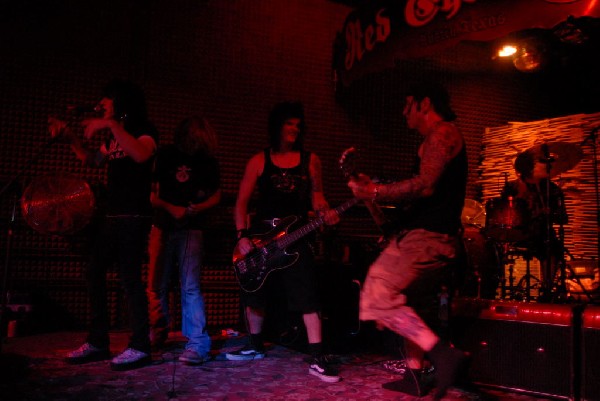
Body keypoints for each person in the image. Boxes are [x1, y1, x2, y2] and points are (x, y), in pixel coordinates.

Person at [347, 82, 468, 399]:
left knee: (375, 292)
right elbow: (417, 198)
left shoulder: (442, 133)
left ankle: (442, 354)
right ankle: (415, 375)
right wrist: (369, 194)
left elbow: (425, 186)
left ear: (424, 103)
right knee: (411, 304)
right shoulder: (433, 140)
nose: (403, 112)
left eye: (407, 104)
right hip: (430, 237)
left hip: (427, 239)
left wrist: (374, 191)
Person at [226, 101, 341, 383]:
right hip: (262, 239)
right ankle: (254, 346)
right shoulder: (258, 161)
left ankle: (317, 356)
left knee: (307, 295)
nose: (294, 129)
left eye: (298, 124)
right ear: (277, 125)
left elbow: (318, 198)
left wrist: (327, 212)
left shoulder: (311, 160)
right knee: (256, 291)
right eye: (289, 123)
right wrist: (242, 236)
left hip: (297, 238)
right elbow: (240, 204)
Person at [50, 78, 158, 371]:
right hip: (111, 216)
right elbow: (93, 160)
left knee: (129, 279)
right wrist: (71, 137)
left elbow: (141, 154)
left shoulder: (144, 130)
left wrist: (111, 126)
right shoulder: (113, 136)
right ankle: (98, 341)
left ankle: (140, 346)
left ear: (121, 101)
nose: (102, 104)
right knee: (94, 271)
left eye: (107, 100)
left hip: (134, 217)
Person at [146, 116, 221, 365]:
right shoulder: (166, 154)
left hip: (192, 228)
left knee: (190, 286)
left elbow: (216, 195)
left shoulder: (208, 162)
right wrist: (172, 208)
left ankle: (198, 342)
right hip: (162, 224)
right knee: (156, 284)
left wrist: (197, 207)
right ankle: (156, 334)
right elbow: (152, 196)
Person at [501, 150, 568, 296]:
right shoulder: (512, 187)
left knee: (554, 248)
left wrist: (551, 213)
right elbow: (503, 213)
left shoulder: (551, 189)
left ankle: (547, 288)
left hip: (542, 234)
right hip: (517, 232)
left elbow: (563, 217)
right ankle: (499, 286)